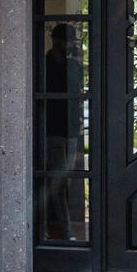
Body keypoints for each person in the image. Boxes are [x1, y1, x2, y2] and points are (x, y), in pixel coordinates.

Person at [41, 22, 86, 240]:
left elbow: (78, 93)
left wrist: (79, 63)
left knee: (63, 182)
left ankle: (60, 229)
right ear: (57, 40)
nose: (70, 45)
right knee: (55, 182)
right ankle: (63, 231)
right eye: (68, 41)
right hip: (52, 130)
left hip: (70, 131)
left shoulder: (73, 66)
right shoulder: (44, 64)